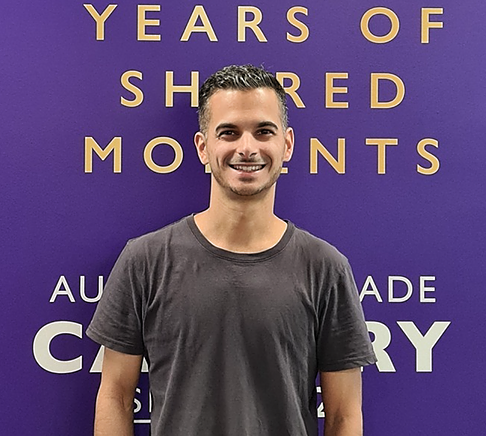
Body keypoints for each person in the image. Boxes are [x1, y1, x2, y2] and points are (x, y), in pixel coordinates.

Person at [86, 64, 377, 435]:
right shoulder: (145, 261)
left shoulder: (325, 268)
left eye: (263, 131)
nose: (247, 147)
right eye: (229, 132)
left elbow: (343, 415)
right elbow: (115, 396)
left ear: (286, 144)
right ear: (203, 147)